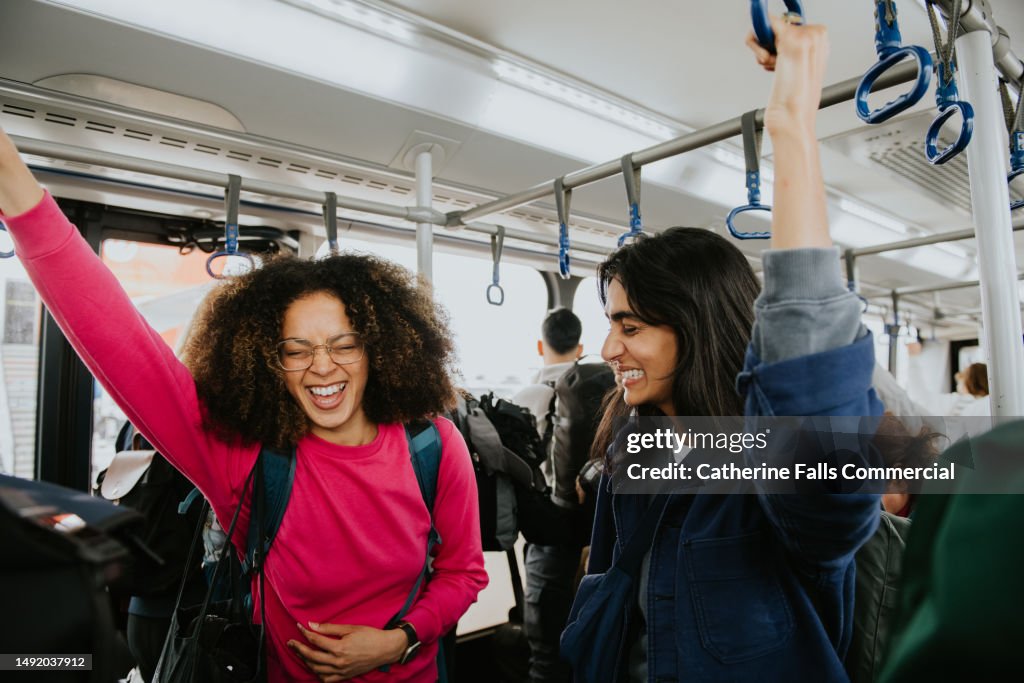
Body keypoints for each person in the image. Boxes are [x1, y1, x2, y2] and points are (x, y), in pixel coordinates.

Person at [0, 133, 488, 681]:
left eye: (343, 344)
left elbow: (462, 573)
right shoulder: (246, 460)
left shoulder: (434, 446)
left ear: (381, 347)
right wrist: (15, 186)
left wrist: (399, 640)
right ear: (268, 362)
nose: (321, 367)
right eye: (295, 350)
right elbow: (119, 338)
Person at [577, 15, 883, 681]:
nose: (608, 346)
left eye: (631, 326)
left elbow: (814, 398)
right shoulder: (634, 449)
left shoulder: (773, 473)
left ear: (696, 328)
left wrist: (792, 127)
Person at [513, 307, 588, 683]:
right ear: (581, 347)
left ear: (541, 345)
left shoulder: (527, 395)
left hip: (549, 535)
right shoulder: (605, 388)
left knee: (545, 648)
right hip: (597, 533)